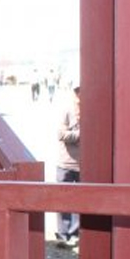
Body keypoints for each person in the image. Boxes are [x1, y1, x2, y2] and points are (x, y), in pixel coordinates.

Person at [55, 82, 81, 248]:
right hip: (65, 163)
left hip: (84, 164)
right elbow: (60, 134)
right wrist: (79, 135)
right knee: (62, 199)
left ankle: (76, 232)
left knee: (81, 200)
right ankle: (63, 234)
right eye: (78, 91)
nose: (80, 94)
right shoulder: (67, 110)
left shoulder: (92, 109)